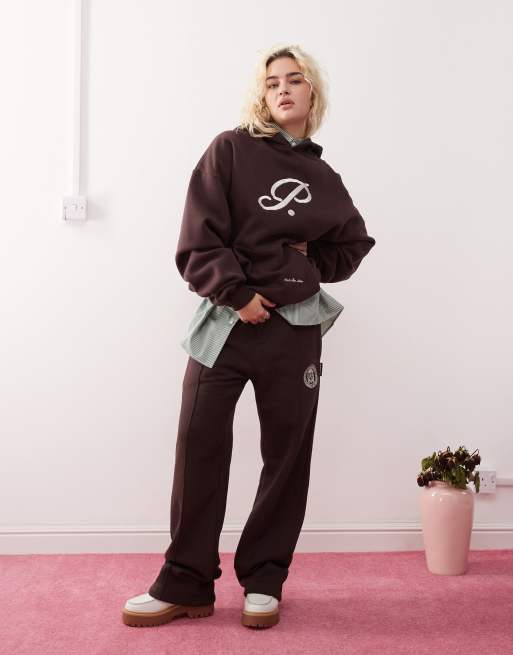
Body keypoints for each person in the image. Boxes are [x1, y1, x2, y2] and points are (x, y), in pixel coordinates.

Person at [122, 43, 376, 630]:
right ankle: (185, 582)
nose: (282, 88)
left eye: (294, 79)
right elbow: (198, 236)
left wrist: (309, 261)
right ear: (261, 95)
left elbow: (354, 243)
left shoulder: (323, 177)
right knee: (198, 444)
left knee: (286, 455)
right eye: (271, 82)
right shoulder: (230, 150)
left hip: (296, 329)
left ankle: (264, 579)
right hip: (227, 324)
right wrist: (237, 295)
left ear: (313, 92)